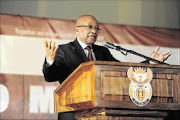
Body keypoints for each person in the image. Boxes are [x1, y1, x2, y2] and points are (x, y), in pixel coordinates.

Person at [42, 15, 171, 120]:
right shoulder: (64, 50)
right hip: (73, 113)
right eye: (89, 27)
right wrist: (50, 60)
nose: (94, 31)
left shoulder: (102, 51)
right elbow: (50, 76)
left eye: (97, 28)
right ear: (77, 30)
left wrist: (150, 62)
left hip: (100, 113)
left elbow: (122, 71)